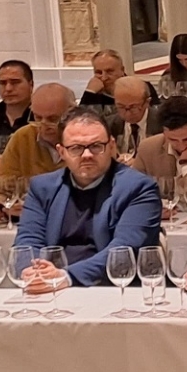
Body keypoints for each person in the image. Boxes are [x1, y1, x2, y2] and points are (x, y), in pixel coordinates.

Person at [13, 107, 162, 291]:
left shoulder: (138, 187)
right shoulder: (42, 187)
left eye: (96, 146)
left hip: (112, 290)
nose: (87, 155)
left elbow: (124, 249)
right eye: (76, 148)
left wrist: (66, 276)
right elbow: (28, 240)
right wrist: (32, 272)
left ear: (112, 146)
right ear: (61, 152)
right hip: (50, 286)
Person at [0, 83, 75, 217]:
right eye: (38, 117)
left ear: (72, 113)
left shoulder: (87, 138)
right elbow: (1, 186)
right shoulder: (23, 137)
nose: (43, 125)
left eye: (53, 119)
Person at [109, 76, 160, 155]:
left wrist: (139, 162)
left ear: (147, 102)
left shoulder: (162, 124)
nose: (127, 114)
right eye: (121, 107)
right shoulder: (108, 125)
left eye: (133, 107)